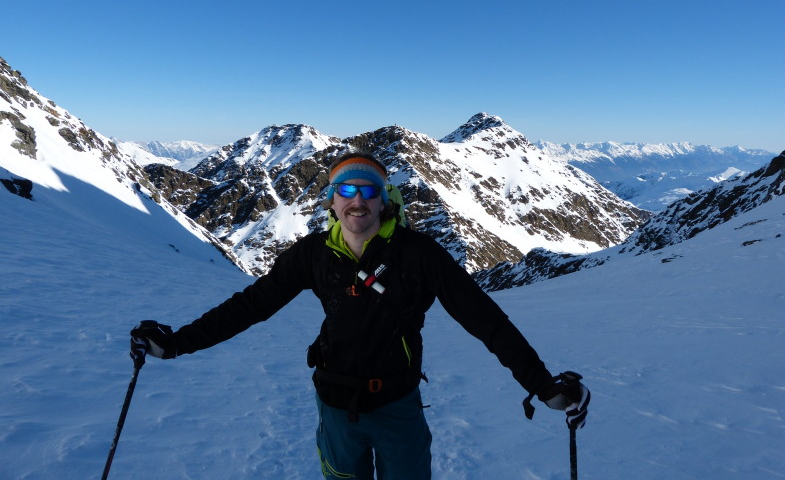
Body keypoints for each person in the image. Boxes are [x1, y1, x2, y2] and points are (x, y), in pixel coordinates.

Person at [130, 151, 590, 479]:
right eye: (345, 190)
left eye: (368, 190)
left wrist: (540, 383)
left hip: (397, 406)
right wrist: (175, 344)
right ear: (331, 201)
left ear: (384, 199)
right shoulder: (313, 255)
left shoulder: (419, 255)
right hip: (334, 405)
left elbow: (485, 320)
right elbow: (251, 306)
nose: (357, 200)